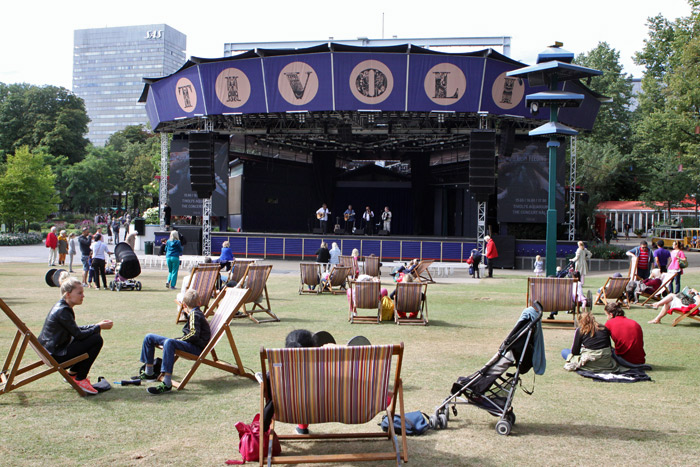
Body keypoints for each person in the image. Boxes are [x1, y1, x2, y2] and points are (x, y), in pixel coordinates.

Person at [37, 273, 113, 395]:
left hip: (50, 352)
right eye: (79, 293)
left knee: (93, 337)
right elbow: (78, 334)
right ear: (68, 294)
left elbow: (75, 330)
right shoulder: (63, 311)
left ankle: (73, 374)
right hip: (56, 356)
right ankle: (80, 378)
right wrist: (98, 327)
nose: (83, 296)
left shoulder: (62, 307)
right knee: (96, 340)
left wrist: (96, 325)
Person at [138, 289, 211, 395]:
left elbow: (194, 334)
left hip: (195, 348)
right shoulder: (195, 313)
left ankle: (167, 383)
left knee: (169, 342)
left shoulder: (195, 314)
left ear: (184, 305)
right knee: (149, 337)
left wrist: (178, 340)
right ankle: (149, 373)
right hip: (190, 344)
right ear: (199, 303)